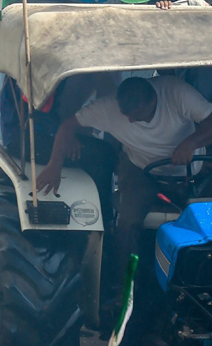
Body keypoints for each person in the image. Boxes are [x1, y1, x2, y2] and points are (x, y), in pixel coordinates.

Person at [37, 75, 212, 292]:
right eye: (125, 114)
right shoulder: (108, 108)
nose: (129, 121)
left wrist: (190, 144)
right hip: (141, 170)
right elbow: (67, 125)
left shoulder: (177, 93)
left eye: (136, 115)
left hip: (192, 168)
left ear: (152, 102)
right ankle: (126, 287)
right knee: (128, 221)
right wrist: (54, 164)